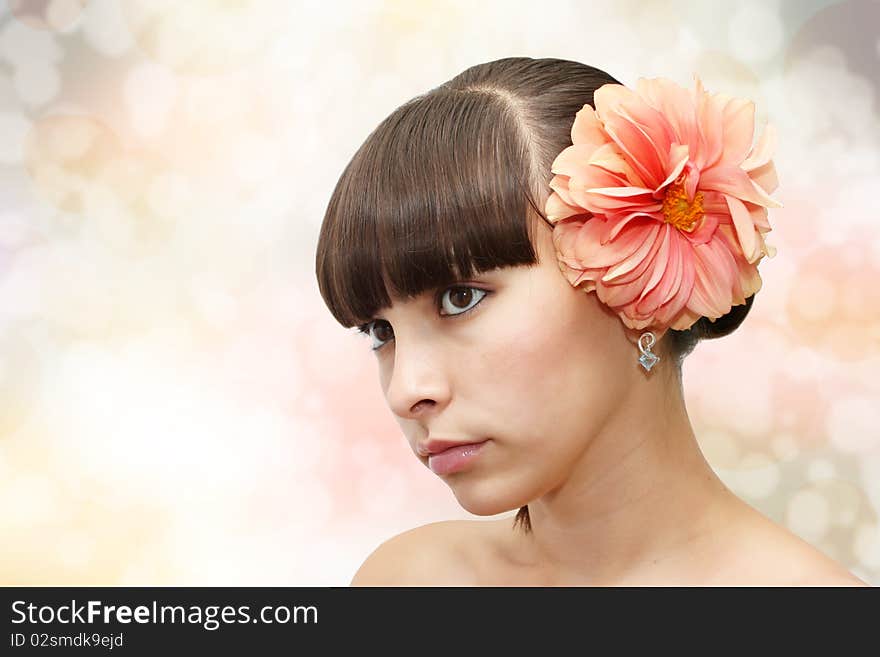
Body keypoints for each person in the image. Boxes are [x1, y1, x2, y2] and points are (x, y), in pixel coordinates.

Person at [315, 57, 869, 586]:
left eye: (460, 298)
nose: (407, 391)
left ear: (642, 281)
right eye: (380, 332)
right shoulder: (406, 584)